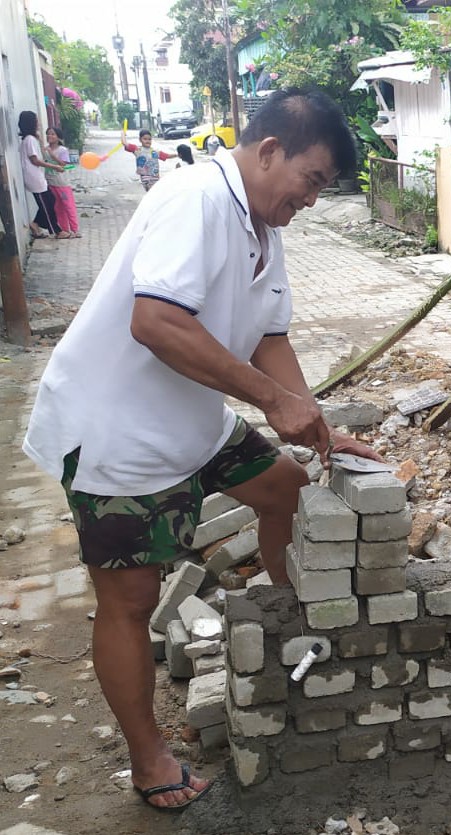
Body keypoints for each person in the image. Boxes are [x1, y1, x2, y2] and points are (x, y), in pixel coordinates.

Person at [22, 89, 373, 812]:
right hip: (117, 432)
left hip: (190, 418)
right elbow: (156, 322)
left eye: (323, 188)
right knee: (130, 600)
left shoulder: (263, 227)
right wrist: (270, 401)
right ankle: (148, 758)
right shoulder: (197, 199)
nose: (312, 199)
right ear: (269, 150)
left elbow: (269, 337)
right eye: (311, 179)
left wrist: (313, 420)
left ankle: (284, 618)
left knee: (286, 489)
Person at [19, 111, 66, 239]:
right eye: (36, 120)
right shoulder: (29, 140)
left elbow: (39, 156)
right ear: (31, 123)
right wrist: (54, 166)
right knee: (46, 206)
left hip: (38, 176)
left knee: (50, 200)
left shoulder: (31, 139)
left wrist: (39, 139)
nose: (38, 123)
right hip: (34, 177)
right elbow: (35, 160)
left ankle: (36, 223)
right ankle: (57, 231)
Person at [45, 126, 81, 238]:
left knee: (69, 206)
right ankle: (64, 230)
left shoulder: (62, 150)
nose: (49, 136)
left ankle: (75, 230)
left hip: (62, 183)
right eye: (48, 134)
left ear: (58, 137)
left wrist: (52, 155)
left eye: (52, 134)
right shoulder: (45, 149)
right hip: (51, 183)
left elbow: (64, 164)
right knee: (58, 208)